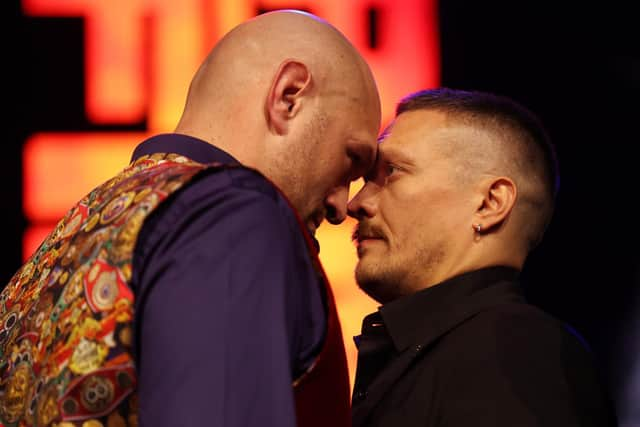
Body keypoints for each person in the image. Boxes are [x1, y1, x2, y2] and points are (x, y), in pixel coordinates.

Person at [0, 10, 381, 427]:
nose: (342, 207)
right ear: (288, 97)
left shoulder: (71, 235)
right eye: (351, 160)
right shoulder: (234, 216)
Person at [347, 88, 617, 426]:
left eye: (392, 172)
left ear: (490, 203)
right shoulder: (456, 350)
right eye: (366, 179)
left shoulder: (519, 354)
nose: (356, 204)